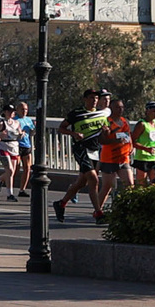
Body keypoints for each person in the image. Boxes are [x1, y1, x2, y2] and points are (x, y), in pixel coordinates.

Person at [51, 90, 108, 223]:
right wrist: (74, 133)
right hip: (81, 148)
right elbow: (61, 128)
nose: (93, 100)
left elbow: (105, 132)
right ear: (85, 99)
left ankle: (61, 204)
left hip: (95, 150)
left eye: (96, 98)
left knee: (82, 182)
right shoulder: (76, 113)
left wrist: (106, 132)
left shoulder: (101, 114)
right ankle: (98, 213)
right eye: (91, 98)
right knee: (94, 179)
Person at [90, 96, 133, 220]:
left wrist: (131, 147)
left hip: (123, 158)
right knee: (107, 186)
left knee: (129, 184)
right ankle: (98, 210)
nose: (120, 110)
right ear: (111, 108)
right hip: (109, 158)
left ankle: (126, 209)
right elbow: (102, 140)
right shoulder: (106, 122)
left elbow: (128, 136)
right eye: (117, 107)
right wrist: (114, 140)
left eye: (121, 107)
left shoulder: (125, 122)